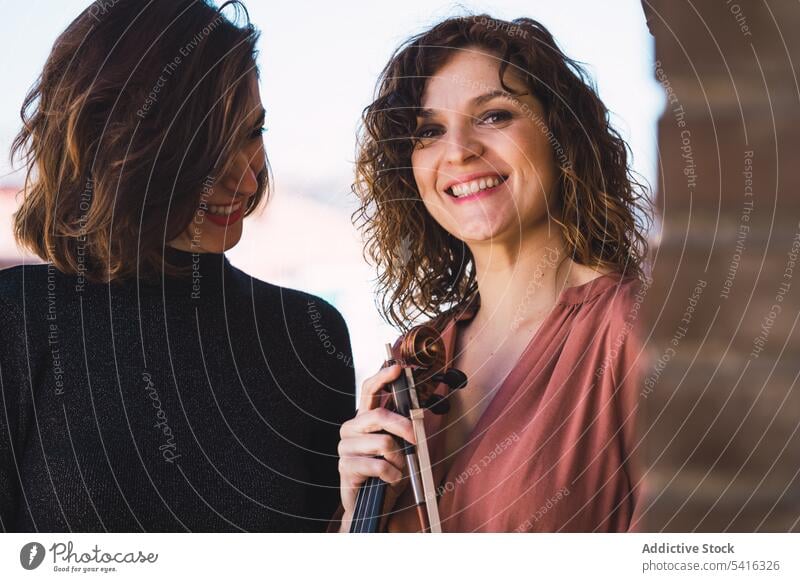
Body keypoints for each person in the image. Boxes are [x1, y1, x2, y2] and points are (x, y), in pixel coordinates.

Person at [0, 0, 354, 532]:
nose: (249, 181)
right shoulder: (18, 320)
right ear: (120, 147)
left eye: (253, 133)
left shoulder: (308, 335)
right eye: (208, 150)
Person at [335, 14, 651, 532]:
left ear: (561, 137)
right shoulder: (418, 357)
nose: (458, 151)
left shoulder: (633, 328)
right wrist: (358, 513)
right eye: (430, 131)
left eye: (494, 116)